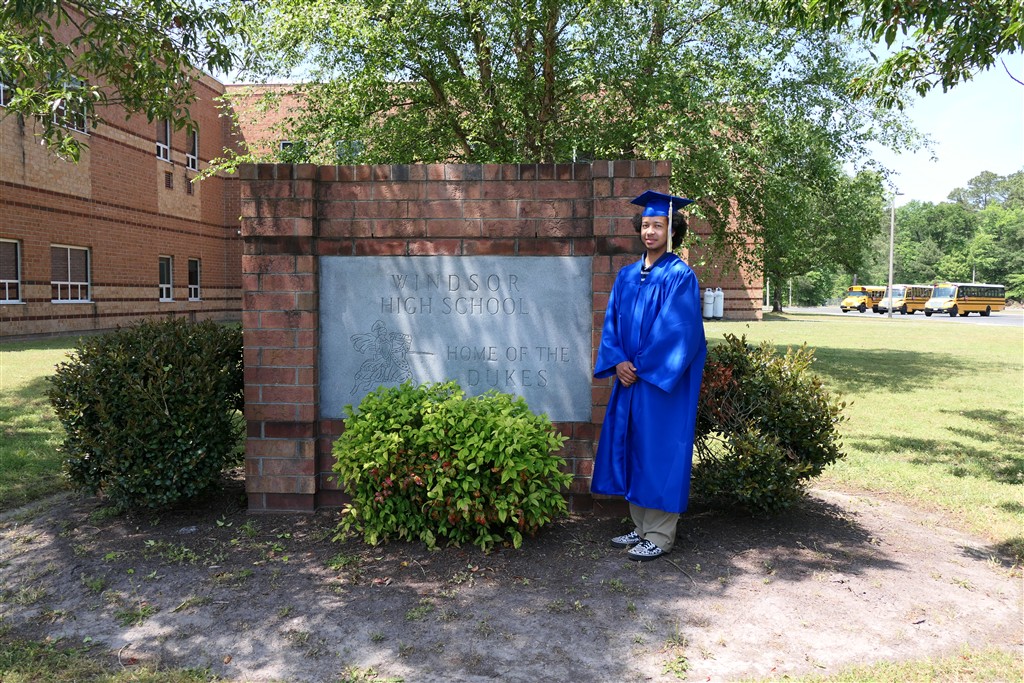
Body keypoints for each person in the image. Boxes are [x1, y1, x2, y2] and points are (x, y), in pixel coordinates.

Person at [591, 190, 707, 562]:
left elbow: (680, 331)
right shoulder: (626, 276)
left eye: (658, 225)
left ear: (673, 231)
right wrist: (618, 361)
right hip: (629, 378)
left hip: (659, 384)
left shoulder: (679, 276)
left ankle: (660, 534)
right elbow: (612, 324)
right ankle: (640, 527)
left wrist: (639, 366)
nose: (650, 232)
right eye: (645, 225)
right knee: (633, 446)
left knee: (658, 449)